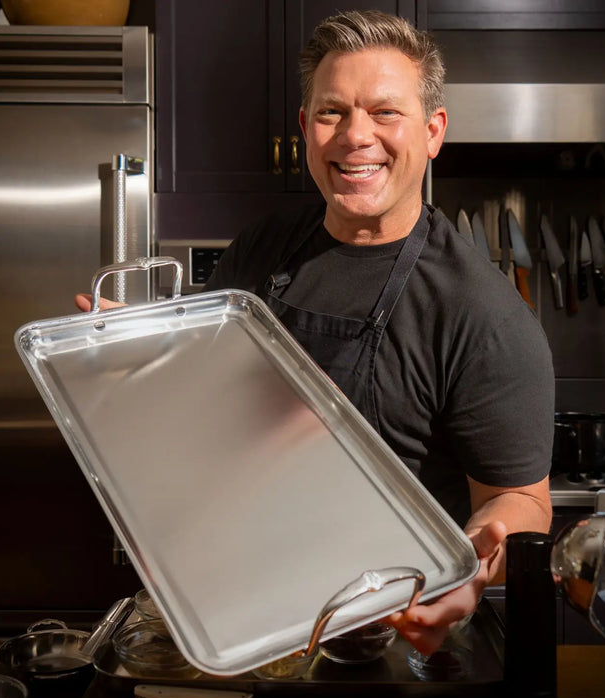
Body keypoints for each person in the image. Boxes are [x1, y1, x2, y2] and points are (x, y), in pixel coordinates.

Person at [77, 9, 554, 656]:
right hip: (246, 617)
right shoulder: (263, 251)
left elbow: (522, 501)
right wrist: (140, 360)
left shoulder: (483, 314)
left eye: (386, 113)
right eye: (332, 112)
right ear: (305, 128)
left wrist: (469, 565)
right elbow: (211, 411)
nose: (356, 136)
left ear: (434, 131)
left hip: (385, 641)